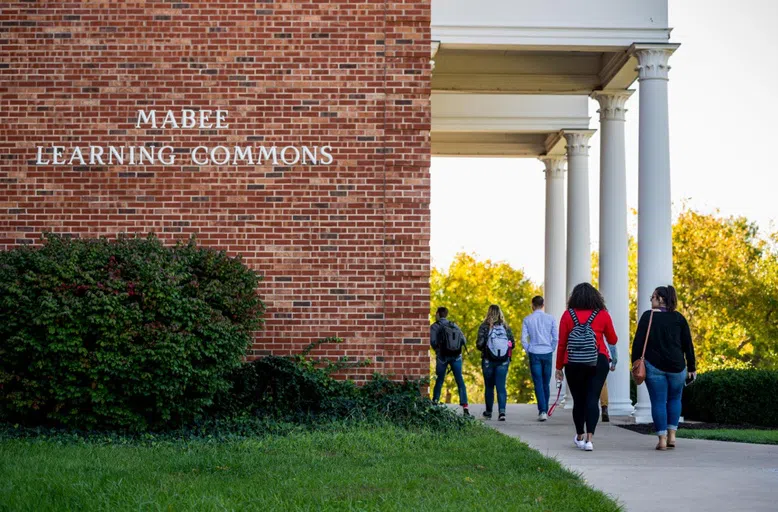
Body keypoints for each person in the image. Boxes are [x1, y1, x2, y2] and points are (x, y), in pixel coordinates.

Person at [632, 285, 696, 450]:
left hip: (653, 366)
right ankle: (672, 436)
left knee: (658, 402)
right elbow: (688, 344)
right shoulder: (679, 318)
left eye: (653, 297)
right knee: (675, 399)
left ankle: (661, 439)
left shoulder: (648, 316)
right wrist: (692, 366)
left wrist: (635, 363)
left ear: (661, 298)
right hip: (677, 367)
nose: (651, 300)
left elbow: (638, 342)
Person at [555, 283, 618, 452]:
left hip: (573, 362)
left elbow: (561, 344)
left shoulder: (568, 315)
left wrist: (559, 367)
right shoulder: (603, 314)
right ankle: (590, 439)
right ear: (596, 297)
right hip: (598, 360)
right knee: (592, 398)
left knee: (579, 400)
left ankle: (579, 436)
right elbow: (613, 339)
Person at [521, 295, 558, 421]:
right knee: (546, 383)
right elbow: (556, 337)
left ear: (532, 305)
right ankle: (545, 410)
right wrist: (551, 348)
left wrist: (528, 349)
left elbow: (523, 338)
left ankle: (542, 411)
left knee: (538, 383)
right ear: (543, 305)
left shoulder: (527, 319)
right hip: (547, 352)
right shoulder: (550, 318)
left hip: (535, 352)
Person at [476, 304, 516, 421]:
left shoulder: (484, 326)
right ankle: (502, 412)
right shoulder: (506, 327)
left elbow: (479, 344)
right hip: (503, 361)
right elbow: (512, 344)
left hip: (488, 360)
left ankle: (488, 412)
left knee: (489, 387)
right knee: (501, 387)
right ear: (500, 313)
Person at [430, 307, 470, 416]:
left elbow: (433, 342)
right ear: (446, 314)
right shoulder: (454, 325)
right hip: (456, 357)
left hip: (442, 357)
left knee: (440, 379)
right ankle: (465, 407)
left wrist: (439, 351)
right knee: (460, 380)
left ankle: (435, 403)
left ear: (438, 314)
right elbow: (464, 340)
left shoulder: (434, 326)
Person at [599, 345, 618, 422]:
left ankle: (585, 411)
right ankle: (604, 409)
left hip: (587, 356)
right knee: (602, 384)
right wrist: (614, 362)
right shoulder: (604, 332)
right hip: (602, 356)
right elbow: (612, 344)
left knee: (587, 383)